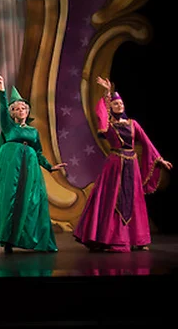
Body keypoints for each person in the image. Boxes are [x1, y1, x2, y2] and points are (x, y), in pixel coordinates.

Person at [73, 77, 172, 252]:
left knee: (133, 198)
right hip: (115, 164)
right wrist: (107, 93)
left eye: (121, 103)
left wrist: (159, 159)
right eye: (115, 104)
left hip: (131, 164)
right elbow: (101, 114)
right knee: (113, 199)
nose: (119, 106)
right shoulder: (109, 126)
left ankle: (137, 239)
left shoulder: (133, 124)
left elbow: (146, 142)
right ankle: (110, 238)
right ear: (110, 107)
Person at [0, 72, 67, 253]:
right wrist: (1, 87)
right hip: (12, 166)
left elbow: (38, 151)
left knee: (30, 200)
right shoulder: (9, 127)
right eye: (17, 109)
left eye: (23, 108)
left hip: (30, 167)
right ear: (12, 112)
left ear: (28, 112)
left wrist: (50, 167)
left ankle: (26, 237)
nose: (21, 111)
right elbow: (2, 108)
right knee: (10, 198)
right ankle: (7, 239)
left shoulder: (33, 132)